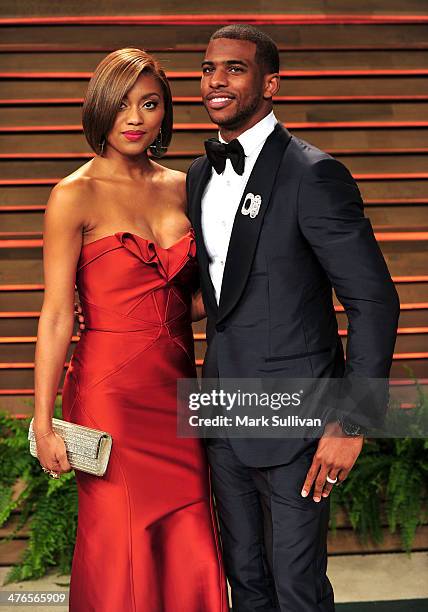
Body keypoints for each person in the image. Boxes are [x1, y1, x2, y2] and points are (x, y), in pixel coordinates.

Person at [185, 25, 400, 612]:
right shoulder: (200, 175)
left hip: (297, 421)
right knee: (246, 581)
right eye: (208, 69)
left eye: (234, 68)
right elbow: (218, 294)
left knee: (296, 586)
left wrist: (350, 424)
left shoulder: (314, 174)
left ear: (270, 83)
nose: (216, 80)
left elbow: (375, 301)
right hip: (222, 415)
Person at [33, 48, 228, 612]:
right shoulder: (73, 195)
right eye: (122, 105)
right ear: (100, 109)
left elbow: (190, 299)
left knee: (189, 529)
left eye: (150, 103)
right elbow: (56, 314)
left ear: (167, 112)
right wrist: (44, 421)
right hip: (108, 396)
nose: (136, 118)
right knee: (121, 539)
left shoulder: (185, 186)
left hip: (176, 389)